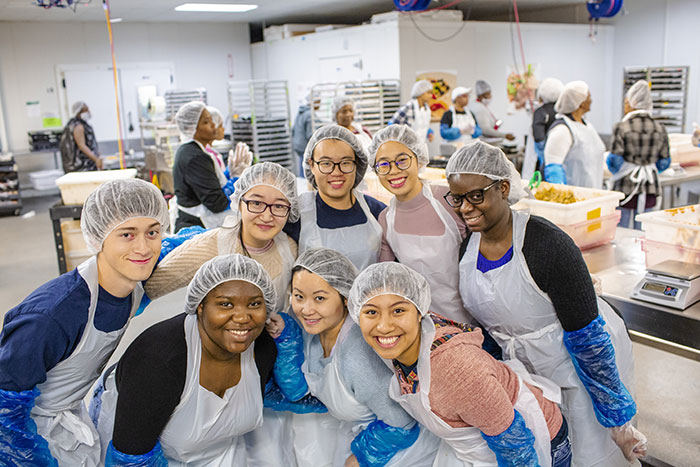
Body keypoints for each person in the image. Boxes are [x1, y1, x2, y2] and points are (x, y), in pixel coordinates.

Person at [445, 141, 647, 466]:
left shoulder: (547, 245)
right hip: (525, 374)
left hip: (576, 371)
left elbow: (589, 342)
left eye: (476, 196)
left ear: (503, 187)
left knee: (590, 453)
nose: (466, 207)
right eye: (457, 198)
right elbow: (489, 330)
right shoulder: (467, 248)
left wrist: (617, 420)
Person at [0, 178, 169, 466]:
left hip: (70, 418)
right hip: (34, 434)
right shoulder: (51, 318)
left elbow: (181, 249)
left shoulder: (131, 282)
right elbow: (5, 413)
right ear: (99, 236)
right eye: (127, 235)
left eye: (152, 232)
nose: (144, 248)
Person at [145, 161, 299, 466]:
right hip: (209, 370)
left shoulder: (289, 247)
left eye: (278, 206)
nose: (267, 215)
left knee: (268, 449)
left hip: (262, 363)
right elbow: (150, 285)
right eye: (256, 202)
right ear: (239, 201)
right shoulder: (209, 246)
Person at [348, 261, 572, 467]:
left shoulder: (457, 370)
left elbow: (515, 447)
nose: (384, 326)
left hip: (535, 441)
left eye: (398, 311)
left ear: (419, 312)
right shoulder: (401, 350)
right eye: (371, 312)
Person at [92, 254, 279, 465]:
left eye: (254, 304)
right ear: (200, 306)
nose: (243, 318)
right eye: (226, 304)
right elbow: (131, 458)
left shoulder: (262, 349)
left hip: (218, 455)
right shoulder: (159, 360)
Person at [266, 248, 440, 466]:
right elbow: (301, 391)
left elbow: (401, 423)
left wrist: (361, 456)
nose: (306, 309)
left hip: (403, 450)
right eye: (299, 296)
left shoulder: (357, 355)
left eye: (319, 298)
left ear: (346, 298)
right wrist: (286, 335)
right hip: (364, 432)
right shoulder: (315, 332)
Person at [368, 125, 470, 322]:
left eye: (402, 160)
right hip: (424, 326)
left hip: (473, 323)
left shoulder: (448, 199)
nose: (394, 171)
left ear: (419, 159)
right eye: (383, 165)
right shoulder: (386, 219)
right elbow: (387, 280)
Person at [287, 125, 386, 271]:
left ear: (357, 164)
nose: (336, 172)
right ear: (311, 165)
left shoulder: (377, 212)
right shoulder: (296, 214)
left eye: (345, 163)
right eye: (326, 163)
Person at [607, 80, 671, 229]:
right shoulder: (660, 127)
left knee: (621, 231)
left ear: (632, 102)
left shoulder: (621, 127)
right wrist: (649, 166)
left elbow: (615, 161)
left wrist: (620, 170)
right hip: (650, 186)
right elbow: (665, 162)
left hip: (625, 187)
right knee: (643, 230)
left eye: (626, 102)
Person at [172, 101, 232, 231]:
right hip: (196, 225)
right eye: (206, 122)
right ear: (191, 129)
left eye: (211, 121)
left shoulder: (190, 150)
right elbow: (216, 203)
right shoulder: (195, 157)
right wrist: (234, 183)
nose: (213, 126)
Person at [544, 81, 606, 189]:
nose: (591, 100)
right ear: (580, 102)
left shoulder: (587, 126)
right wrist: (561, 195)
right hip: (574, 199)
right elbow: (553, 169)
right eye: (589, 97)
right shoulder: (562, 130)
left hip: (593, 194)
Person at [532, 78, 565, 173]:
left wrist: (545, 158)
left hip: (546, 159)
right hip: (561, 159)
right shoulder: (563, 111)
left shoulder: (540, 112)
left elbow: (539, 138)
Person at [59, 101, 102, 172]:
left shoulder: (75, 124)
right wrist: (96, 159)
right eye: (86, 110)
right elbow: (81, 145)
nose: (89, 112)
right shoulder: (78, 126)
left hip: (80, 166)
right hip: (81, 166)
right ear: (79, 112)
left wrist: (96, 152)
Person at [388, 80, 435, 144]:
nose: (431, 96)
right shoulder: (408, 108)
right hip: (407, 146)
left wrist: (429, 132)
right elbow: (392, 125)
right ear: (421, 93)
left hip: (420, 145)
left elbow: (422, 126)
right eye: (429, 93)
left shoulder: (426, 109)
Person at [471, 80, 515, 145]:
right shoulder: (479, 108)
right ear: (481, 96)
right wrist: (504, 135)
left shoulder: (481, 106)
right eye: (488, 94)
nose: (490, 96)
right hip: (484, 142)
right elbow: (485, 130)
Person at [293, 96, 317, 176]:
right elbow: (310, 134)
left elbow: (293, 129)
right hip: (305, 146)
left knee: (302, 166)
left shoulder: (301, 112)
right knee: (306, 170)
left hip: (298, 145)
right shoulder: (310, 114)